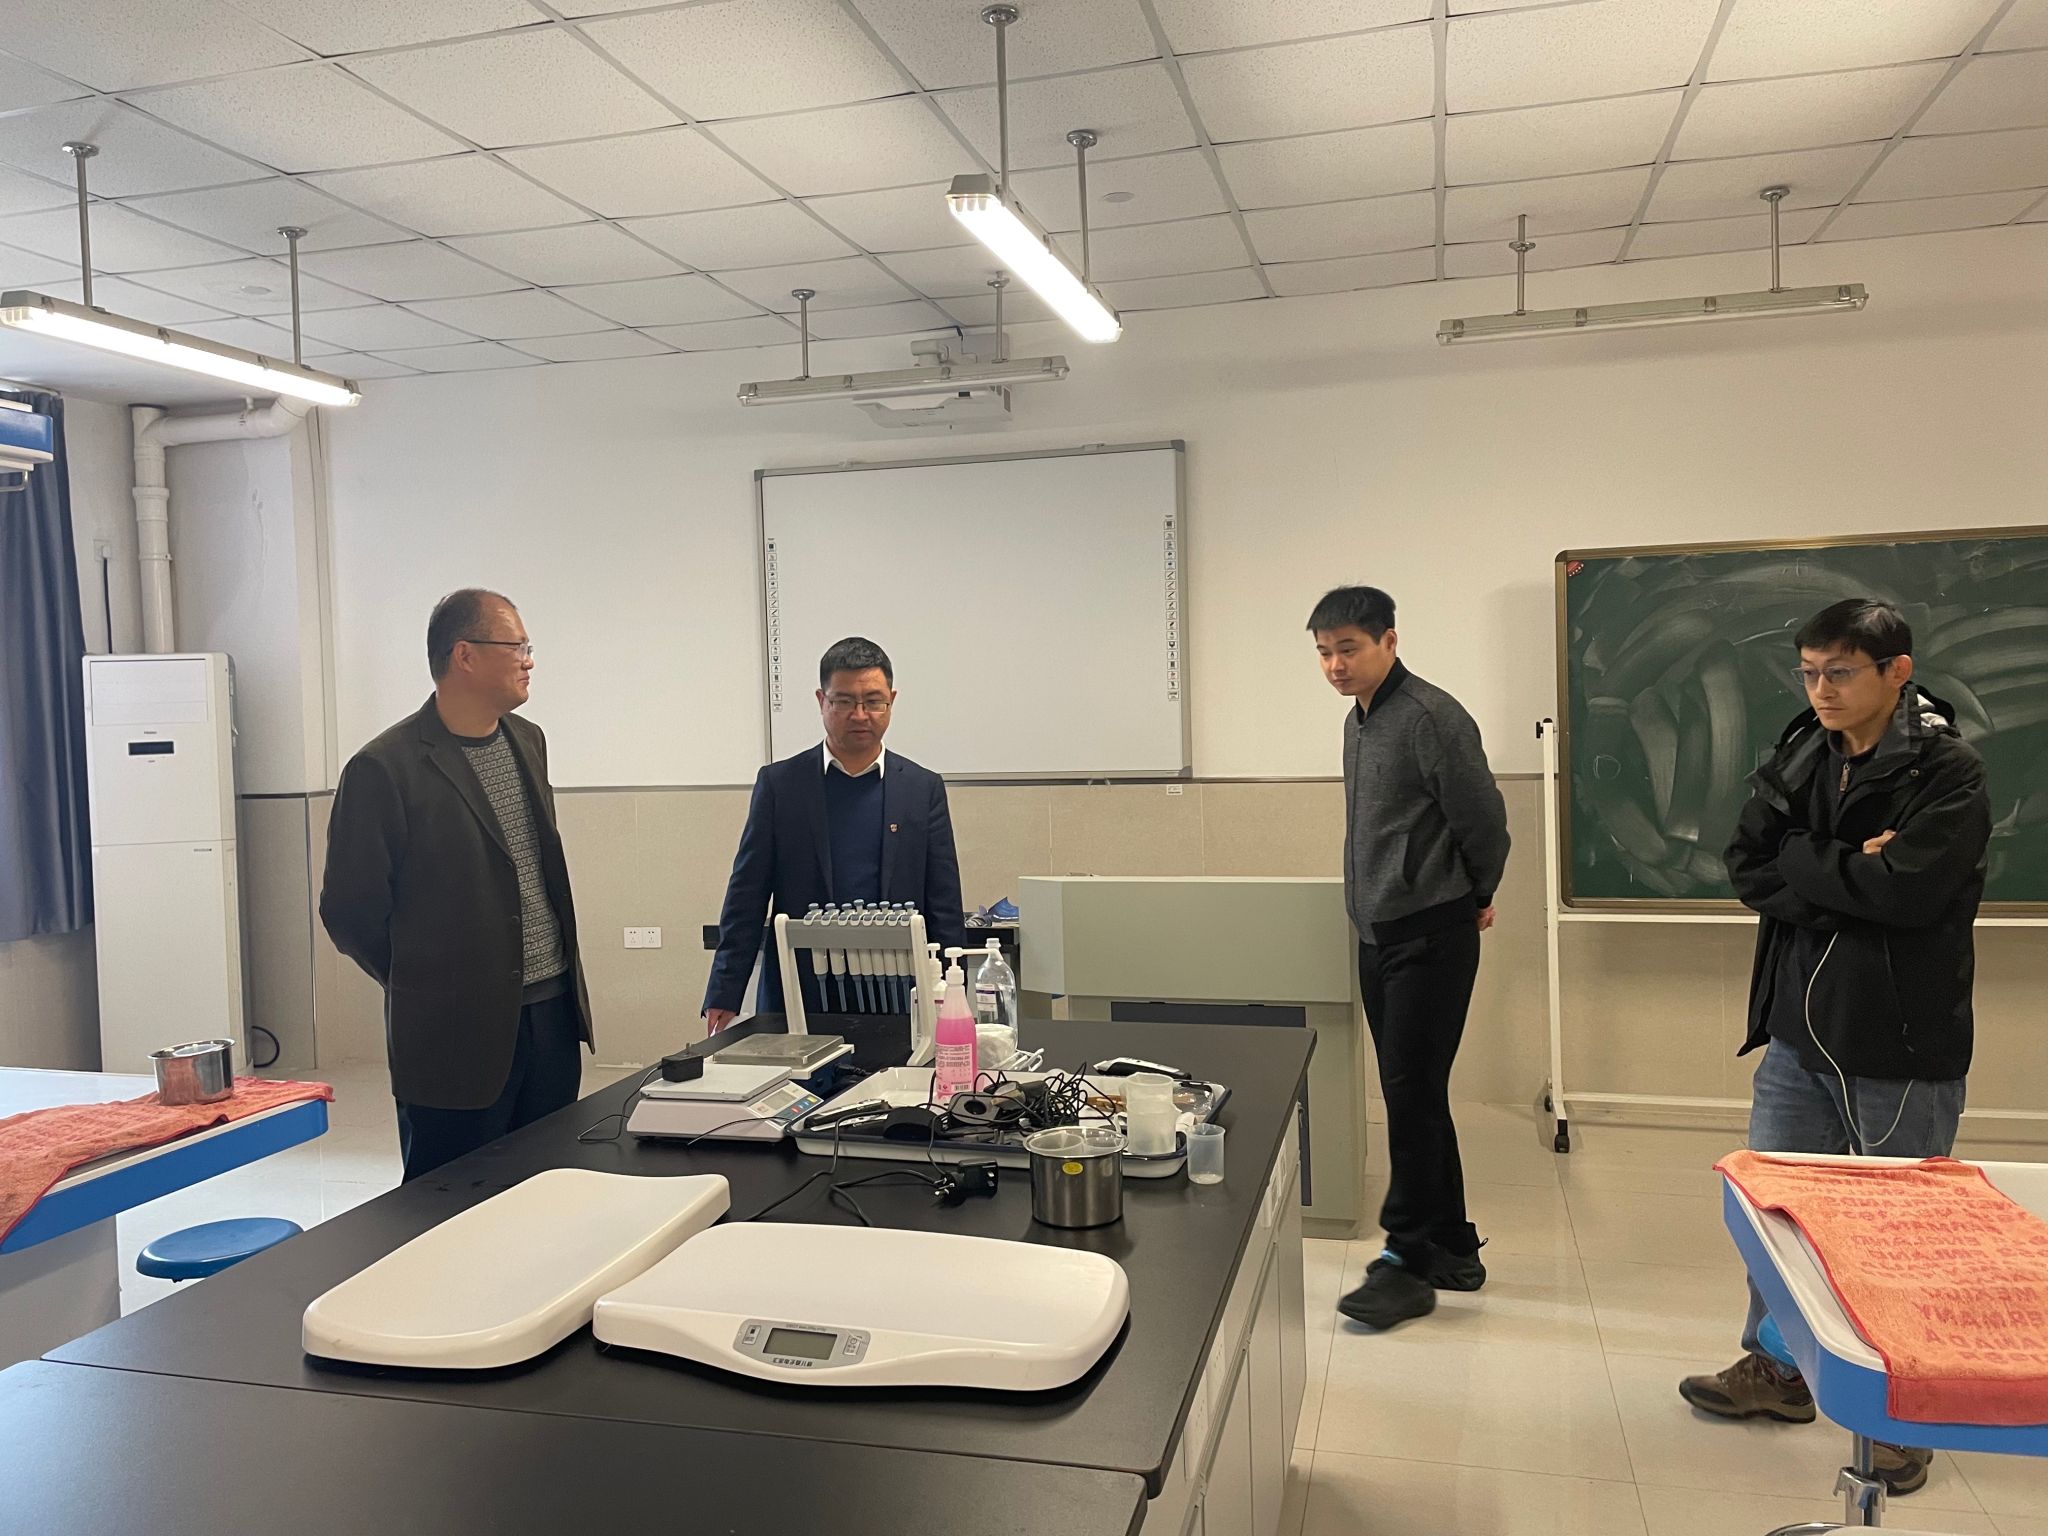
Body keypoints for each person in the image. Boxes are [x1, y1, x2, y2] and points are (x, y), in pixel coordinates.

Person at [1679, 598, 1990, 1497]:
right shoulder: (1802, 751)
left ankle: (1898, 1421)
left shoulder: (1948, 770)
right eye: (1810, 672)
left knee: (1897, 1238)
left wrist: (1808, 861)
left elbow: (1908, 895)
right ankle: (1779, 1371)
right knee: (1777, 1219)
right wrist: (1849, 863)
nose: (1821, 690)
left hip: (1898, 1044)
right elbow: (1748, 864)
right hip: (1796, 1034)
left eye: (1840, 673)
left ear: (1897, 671)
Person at [320, 589, 593, 1182]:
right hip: (451, 1036)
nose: (529, 660)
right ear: (465, 655)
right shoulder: (383, 768)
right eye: (516, 646)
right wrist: (427, 982)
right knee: (448, 1203)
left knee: (548, 1189)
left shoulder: (528, 741)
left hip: (549, 1017)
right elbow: (349, 911)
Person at [1310, 586, 1512, 1329]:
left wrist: (1476, 892)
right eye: (1324, 653)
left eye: (1349, 648)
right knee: (1415, 1093)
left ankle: (1406, 1258)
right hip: (1379, 935)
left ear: (1388, 641)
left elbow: (1484, 820)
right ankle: (1452, 1245)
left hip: (1431, 932)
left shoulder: (1431, 716)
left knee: (1410, 1093)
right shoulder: (1358, 721)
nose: (1336, 665)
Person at [703, 637, 964, 1031]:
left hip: (899, 992)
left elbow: (943, 901)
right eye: (843, 701)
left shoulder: (922, 788)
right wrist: (725, 991)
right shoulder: (780, 785)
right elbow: (746, 894)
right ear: (821, 700)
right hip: (798, 992)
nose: (860, 715)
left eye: (873, 701)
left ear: (891, 701)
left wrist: (951, 995)